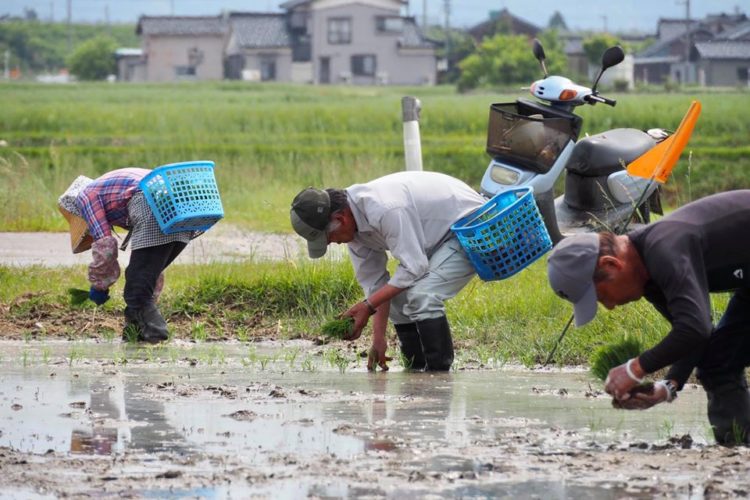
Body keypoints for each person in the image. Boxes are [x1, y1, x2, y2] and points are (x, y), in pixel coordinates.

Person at [546, 190, 750, 445]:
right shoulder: (648, 275)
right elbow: (696, 334)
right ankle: (738, 450)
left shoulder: (664, 248)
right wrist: (666, 388)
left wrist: (636, 368)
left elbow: (694, 328)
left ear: (611, 265)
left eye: (601, 297)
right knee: (718, 363)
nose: (609, 306)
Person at [289, 171, 486, 372]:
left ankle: (438, 376)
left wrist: (368, 306)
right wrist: (378, 339)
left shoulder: (385, 209)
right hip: (440, 238)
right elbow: (376, 285)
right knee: (394, 300)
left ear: (341, 219)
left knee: (422, 295)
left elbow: (414, 267)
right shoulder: (354, 231)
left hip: (473, 227)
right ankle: (416, 369)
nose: (334, 243)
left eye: (329, 238)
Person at [58, 168, 198, 343]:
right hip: (184, 210)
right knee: (140, 277)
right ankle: (134, 335)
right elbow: (151, 266)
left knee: (137, 292)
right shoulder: (110, 188)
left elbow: (106, 248)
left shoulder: (86, 196)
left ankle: (156, 336)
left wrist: (99, 285)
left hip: (153, 205)